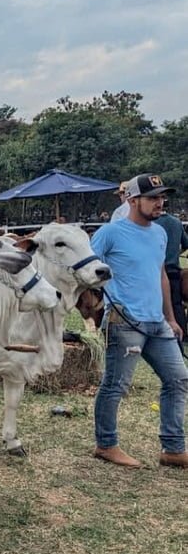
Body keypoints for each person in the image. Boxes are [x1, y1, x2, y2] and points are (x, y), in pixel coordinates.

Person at [91, 173, 188, 468]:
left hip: (157, 322)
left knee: (179, 379)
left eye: (162, 198)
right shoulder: (110, 233)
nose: (160, 203)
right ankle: (106, 445)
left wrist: (170, 317)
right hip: (125, 321)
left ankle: (173, 449)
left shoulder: (160, 233)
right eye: (153, 198)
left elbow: (161, 276)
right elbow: (87, 270)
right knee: (115, 385)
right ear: (133, 201)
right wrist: (108, 303)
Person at [154, 211, 188, 337]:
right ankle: (183, 334)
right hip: (173, 270)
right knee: (176, 304)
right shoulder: (176, 222)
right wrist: (176, 253)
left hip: (156, 270)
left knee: (158, 302)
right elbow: (186, 244)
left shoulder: (152, 223)